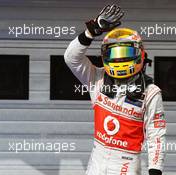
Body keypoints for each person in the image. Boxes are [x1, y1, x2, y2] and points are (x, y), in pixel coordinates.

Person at [64, 4, 166, 175]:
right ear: (105, 56)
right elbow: (71, 58)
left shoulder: (151, 91)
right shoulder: (96, 78)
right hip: (97, 158)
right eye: (114, 54)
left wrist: (155, 169)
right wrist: (91, 32)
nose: (119, 59)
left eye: (125, 52)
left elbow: (156, 134)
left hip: (127, 162)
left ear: (140, 54)